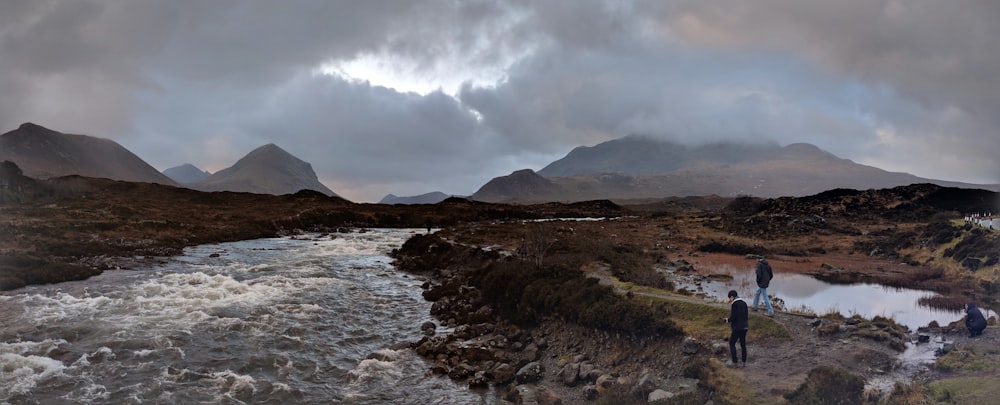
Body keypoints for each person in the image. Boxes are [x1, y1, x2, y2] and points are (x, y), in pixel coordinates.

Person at [723, 289, 749, 368]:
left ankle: (735, 362)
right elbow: (746, 315)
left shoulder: (734, 304)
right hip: (745, 327)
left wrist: (727, 320)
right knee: (743, 344)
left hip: (737, 328)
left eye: (729, 298)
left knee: (732, 343)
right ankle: (744, 362)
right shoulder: (744, 303)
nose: (729, 300)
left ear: (732, 297)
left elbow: (734, 317)